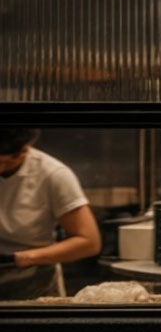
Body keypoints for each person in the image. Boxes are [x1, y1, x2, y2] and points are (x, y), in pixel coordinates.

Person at [0, 128, 101, 301]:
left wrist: (21, 258)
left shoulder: (53, 174)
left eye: (9, 161)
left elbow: (89, 242)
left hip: (35, 282)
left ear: (26, 148)